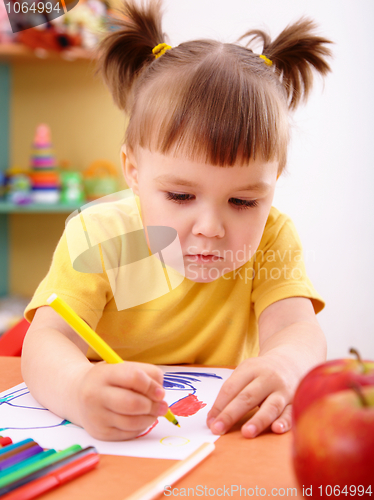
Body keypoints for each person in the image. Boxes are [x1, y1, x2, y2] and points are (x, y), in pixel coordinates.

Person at [21, 0, 333, 441]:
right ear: (133, 171)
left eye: (243, 201)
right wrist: (78, 388)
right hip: (107, 442)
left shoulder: (273, 239)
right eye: (181, 195)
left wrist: (287, 365)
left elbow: (296, 328)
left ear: (273, 181)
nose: (210, 226)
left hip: (220, 445)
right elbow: (46, 341)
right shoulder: (98, 235)